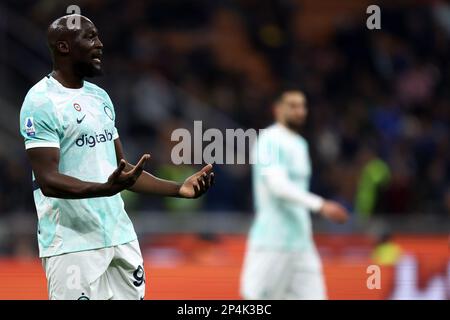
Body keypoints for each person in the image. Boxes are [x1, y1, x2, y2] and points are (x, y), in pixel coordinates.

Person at [19, 15, 214, 300]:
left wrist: (179, 189)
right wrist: (104, 189)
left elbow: (122, 174)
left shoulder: (100, 98)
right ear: (63, 47)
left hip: (119, 236)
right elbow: (49, 181)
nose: (99, 44)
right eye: (90, 37)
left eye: (98, 36)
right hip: (72, 244)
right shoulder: (41, 101)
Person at [240, 90, 348, 300]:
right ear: (277, 109)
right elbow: (277, 185)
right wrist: (320, 205)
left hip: (301, 243)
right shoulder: (269, 140)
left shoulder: (300, 144)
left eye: (302, 106)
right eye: (292, 106)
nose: (299, 111)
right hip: (272, 242)